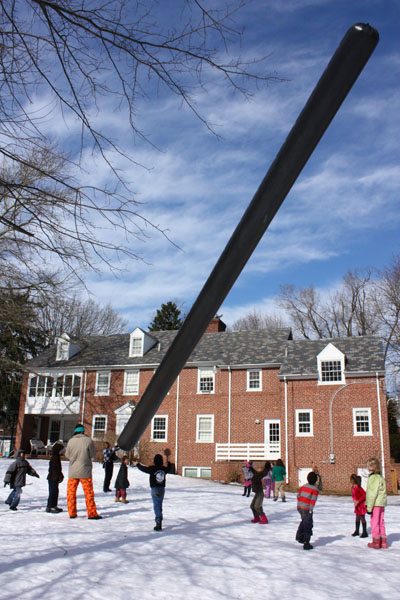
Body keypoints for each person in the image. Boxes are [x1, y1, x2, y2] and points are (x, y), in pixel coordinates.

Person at [65, 423, 102, 520]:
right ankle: (91, 513)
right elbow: (93, 454)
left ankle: (72, 512)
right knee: (88, 493)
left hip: (73, 472)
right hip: (85, 471)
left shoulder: (70, 441)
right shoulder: (88, 441)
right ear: (83, 431)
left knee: (71, 493)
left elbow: (67, 455)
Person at [134, 453, 172, 531]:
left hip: (155, 489)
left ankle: (158, 521)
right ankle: (159, 518)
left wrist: (137, 464)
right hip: (162, 489)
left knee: (156, 505)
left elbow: (144, 469)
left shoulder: (152, 468)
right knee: (159, 504)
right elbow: (169, 468)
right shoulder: (163, 469)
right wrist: (168, 460)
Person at [366, 457, 387, 549]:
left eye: (368, 466)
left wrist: (369, 507)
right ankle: (383, 541)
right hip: (381, 503)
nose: (367, 467)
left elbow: (372, 494)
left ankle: (376, 541)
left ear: (372, 467)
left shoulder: (373, 478)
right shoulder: (381, 477)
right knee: (381, 522)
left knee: (374, 522)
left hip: (375, 504)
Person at [296, 471, 319, 550]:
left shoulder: (303, 487)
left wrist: (300, 502)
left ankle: (299, 536)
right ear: (316, 480)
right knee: (308, 524)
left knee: (304, 521)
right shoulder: (315, 489)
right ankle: (306, 542)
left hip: (300, 507)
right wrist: (311, 509)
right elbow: (313, 500)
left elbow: (298, 495)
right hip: (307, 509)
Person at [46, 442, 64, 513]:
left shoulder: (57, 457)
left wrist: (60, 474)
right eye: (61, 450)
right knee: (52, 492)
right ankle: (50, 506)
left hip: (54, 478)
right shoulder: (54, 458)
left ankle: (54, 505)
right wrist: (58, 475)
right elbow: (54, 469)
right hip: (52, 478)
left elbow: (58, 469)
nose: (61, 452)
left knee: (55, 492)